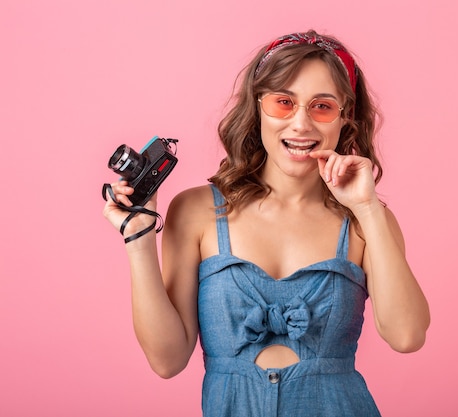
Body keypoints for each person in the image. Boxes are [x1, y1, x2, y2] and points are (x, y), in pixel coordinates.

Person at [103, 30, 430, 417]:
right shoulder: (194, 212)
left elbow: (407, 336)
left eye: (321, 106)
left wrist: (368, 208)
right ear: (258, 106)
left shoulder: (366, 221)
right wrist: (138, 240)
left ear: (345, 117)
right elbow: (167, 360)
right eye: (283, 103)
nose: (301, 123)